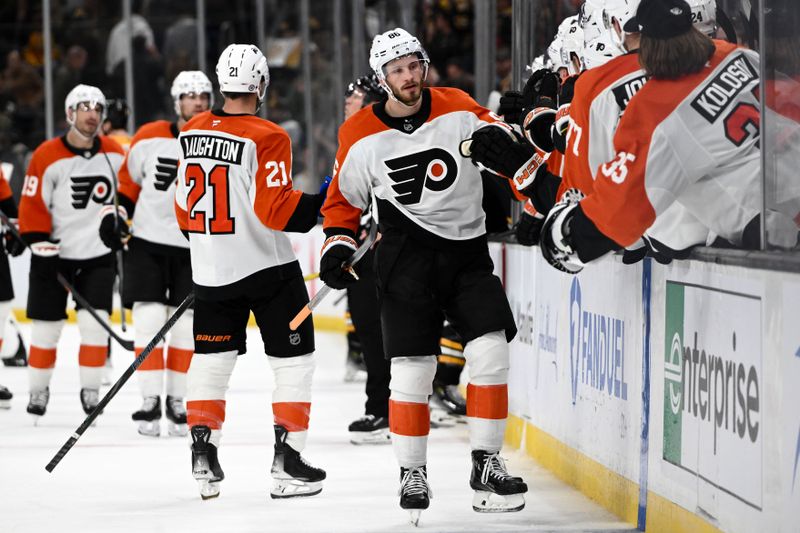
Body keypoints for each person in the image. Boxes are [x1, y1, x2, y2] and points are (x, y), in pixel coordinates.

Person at [320, 28, 527, 522]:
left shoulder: (456, 103)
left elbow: (496, 141)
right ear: (381, 79)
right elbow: (343, 201)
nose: (409, 77)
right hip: (405, 257)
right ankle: (412, 471)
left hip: (466, 253)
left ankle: (486, 463)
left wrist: (509, 133)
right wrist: (338, 244)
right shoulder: (359, 134)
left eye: (414, 65)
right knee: (412, 369)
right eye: (396, 70)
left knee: (491, 352)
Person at [538, 0, 799, 273]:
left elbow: (618, 211)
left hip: (768, 229)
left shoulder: (653, 110)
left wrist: (564, 236)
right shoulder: (739, 56)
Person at [175, 44, 328, 501]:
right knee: (294, 363)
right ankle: (288, 461)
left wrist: (211, 249)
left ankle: (203, 454)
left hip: (210, 273)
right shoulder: (268, 134)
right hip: (268, 271)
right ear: (260, 85)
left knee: (210, 363)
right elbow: (278, 211)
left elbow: (183, 211)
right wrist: (324, 204)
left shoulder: (190, 131)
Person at [99, 72, 212, 437]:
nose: (198, 102)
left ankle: (177, 401)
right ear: (176, 101)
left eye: (203, 96)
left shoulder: (219, 138)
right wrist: (117, 215)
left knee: (183, 328)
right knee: (148, 321)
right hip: (146, 243)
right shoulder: (148, 135)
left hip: (194, 246)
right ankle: (149, 400)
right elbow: (129, 184)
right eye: (190, 96)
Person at [18, 84, 124, 419]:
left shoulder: (116, 153)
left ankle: (91, 392)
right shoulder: (47, 155)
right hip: (55, 257)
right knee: (46, 329)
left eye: (97, 108)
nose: (92, 114)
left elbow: (132, 194)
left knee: (96, 328)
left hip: (97, 257)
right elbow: (32, 204)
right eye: (84, 107)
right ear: (69, 114)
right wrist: (38, 244)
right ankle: (37, 391)